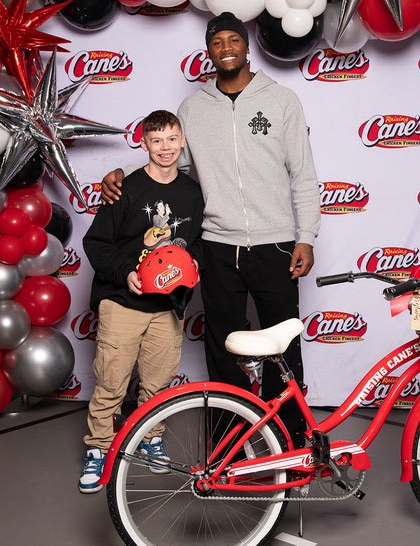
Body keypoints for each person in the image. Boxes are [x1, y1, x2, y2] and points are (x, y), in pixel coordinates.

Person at [100, 12, 321, 448]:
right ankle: (227, 442)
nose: (226, 48)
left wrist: (306, 236)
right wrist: (123, 173)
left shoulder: (281, 100)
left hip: (275, 244)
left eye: (233, 39)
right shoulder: (193, 108)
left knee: (283, 345)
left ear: (246, 45)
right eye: (217, 42)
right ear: (209, 51)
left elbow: (304, 175)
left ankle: (293, 440)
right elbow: (170, 166)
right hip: (217, 246)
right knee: (222, 346)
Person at [78, 110, 204, 493]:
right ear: (144, 143)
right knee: (111, 382)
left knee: (158, 384)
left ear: (182, 141)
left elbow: (195, 242)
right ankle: (98, 449)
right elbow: (96, 243)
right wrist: (125, 273)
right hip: (122, 302)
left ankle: (151, 439)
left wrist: (193, 260)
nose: (164, 148)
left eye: (171, 139)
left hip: (168, 306)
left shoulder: (192, 192)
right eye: (156, 140)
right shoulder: (126, 188)